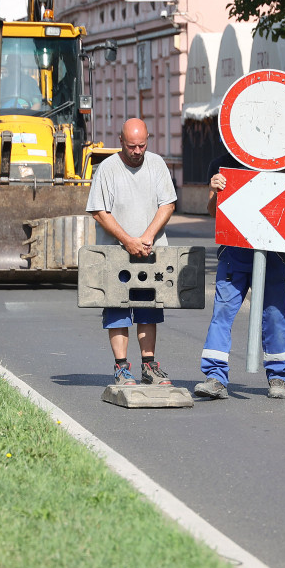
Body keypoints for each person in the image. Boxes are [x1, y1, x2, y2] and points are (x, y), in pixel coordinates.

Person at [193, 152, 285, 400]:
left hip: (272, 253)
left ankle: (278, 377)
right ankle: (215, 378)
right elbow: (213, 212)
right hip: (234, 253)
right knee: (222, 314)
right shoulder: (219, 163)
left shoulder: (282, 162)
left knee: (275, 315)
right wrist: (215, 192)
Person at [85, 118, 178, 386]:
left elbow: (168, 204)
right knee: (117, 308)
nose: (137, 151)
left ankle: (149, 366)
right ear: (120, 141)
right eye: (131, 146)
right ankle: (121, 367)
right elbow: (100, 212)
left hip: (150, 253)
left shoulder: (157, 164)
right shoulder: (107, 169)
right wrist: (127, 240)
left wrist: (147, 237)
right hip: (115, 255)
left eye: (142, 145)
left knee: (148, 308)